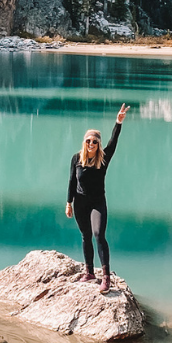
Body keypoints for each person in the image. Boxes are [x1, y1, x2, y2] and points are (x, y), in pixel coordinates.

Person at [66, 103, 129, 293]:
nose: (91, 144)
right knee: (85, 236)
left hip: (97, 202)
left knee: (98, 235)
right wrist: (68, 203)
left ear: (98, 144)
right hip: (80, 202)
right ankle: (89, 272)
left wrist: (118, 122)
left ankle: (106, 277)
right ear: (84, 142)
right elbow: (70, 181)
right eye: (88, 141)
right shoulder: (77, 158)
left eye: (94, 142)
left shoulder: (103, 158)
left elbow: (113, 141)